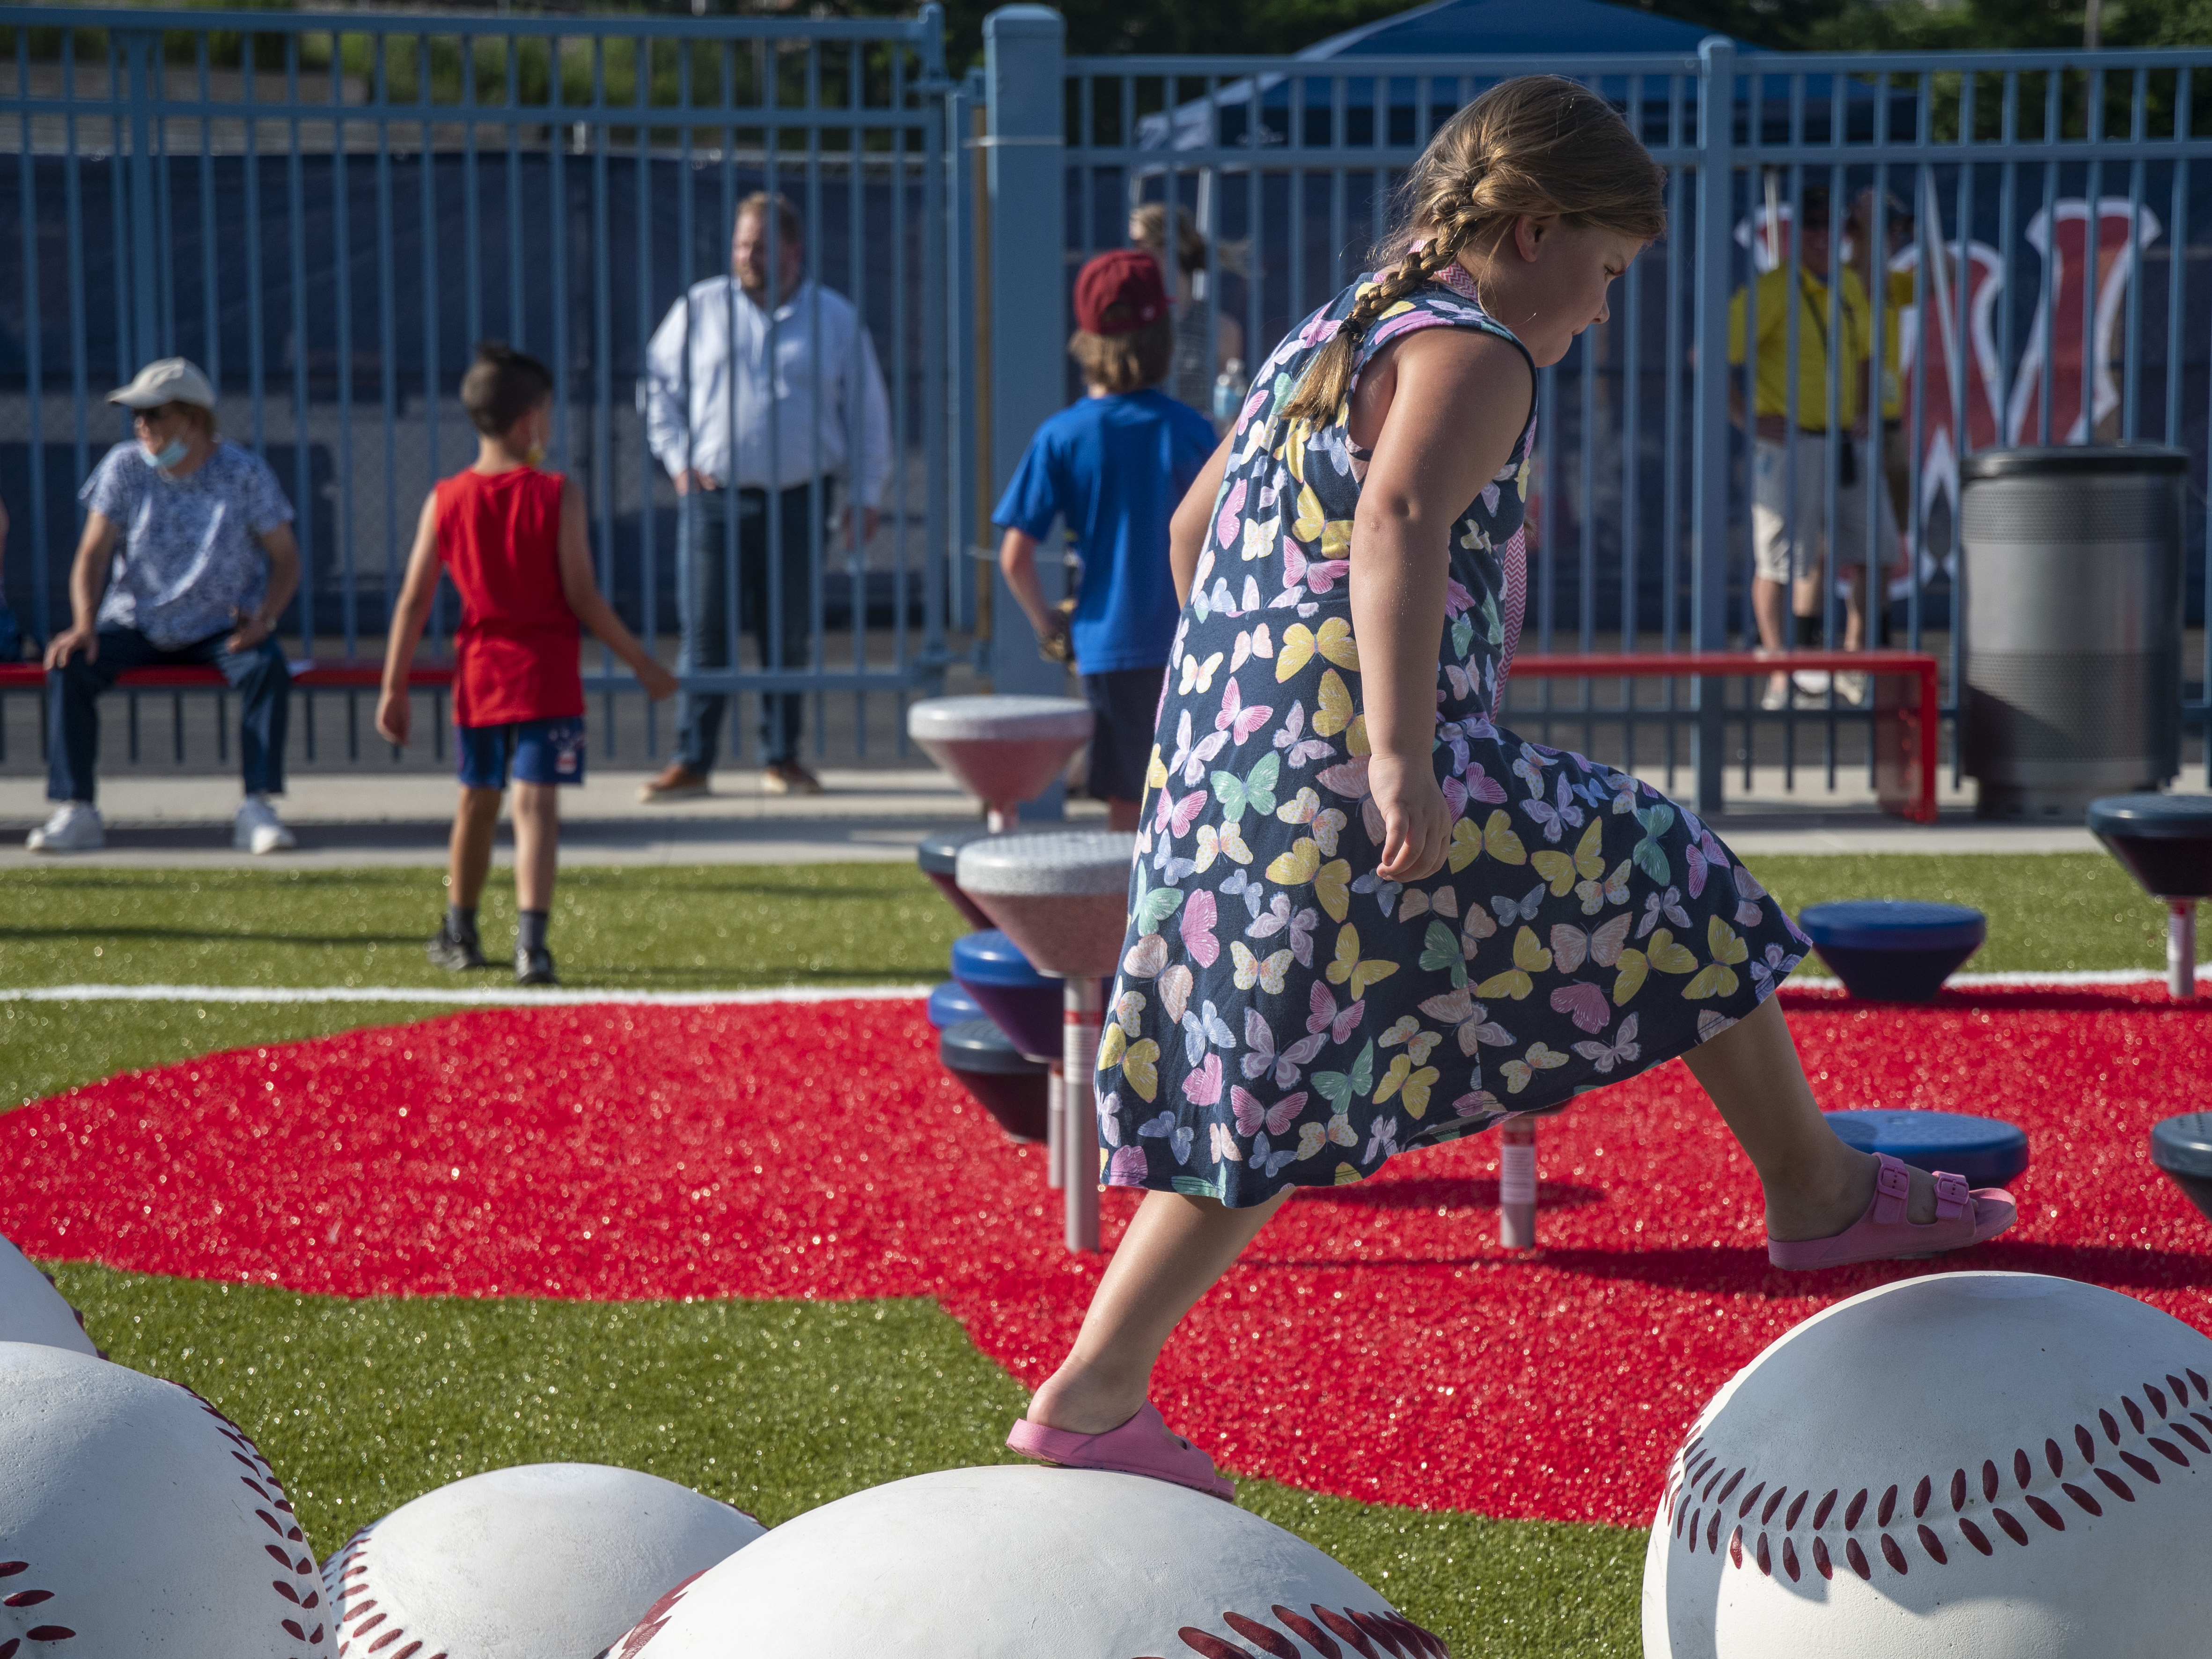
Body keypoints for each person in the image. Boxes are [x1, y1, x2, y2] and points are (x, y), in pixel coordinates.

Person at [1004, 78, 2015, 1500]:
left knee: (1280, 1079)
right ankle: (1821, 1188)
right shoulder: (1475, 350)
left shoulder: (1334, 325)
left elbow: (1192, 534)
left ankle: (1092, 1393)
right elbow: (1402, 516)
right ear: (1532, 230)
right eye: (1603, 271)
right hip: (1365, 769)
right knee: (1664, 866)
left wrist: (1255, 716)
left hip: (1227, 779)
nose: (1603, 309)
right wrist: (1401, 746)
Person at [376, 343, 677, 987]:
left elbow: (413, 599)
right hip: (545, 674)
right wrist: (643, 665)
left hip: (481, 673)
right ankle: (531, 947)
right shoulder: (556, 495)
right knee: (537, 807)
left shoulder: (446, 498)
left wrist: (392, 685)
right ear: (527, 423)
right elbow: (584, 597)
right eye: (545, 414)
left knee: (476, 803)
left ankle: (460, 929)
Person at [637, 190, 892, 802]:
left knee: (789, 635)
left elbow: (867, 414)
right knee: (706, 633)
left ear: (792, 249)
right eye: (740, 245)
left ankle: (782, 758)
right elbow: (657, 388)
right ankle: (692, 762)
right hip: (714, 501)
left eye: (758, 245)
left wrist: (866, 494)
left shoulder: (832, 317)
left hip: (800, 501)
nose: (746, 256)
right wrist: (676, 459)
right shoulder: (699, 308)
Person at [30, 357, 301, 855]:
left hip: (221, 626)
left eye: (155, 414)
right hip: (135, 622)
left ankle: (258, 807)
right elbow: (92, 554)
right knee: (69, 665)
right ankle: (77, 808)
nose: (142, 425)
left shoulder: (244, 472)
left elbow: (286, 558)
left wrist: (264, 618)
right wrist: (85, 625)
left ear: (194, 419)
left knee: (266, 668)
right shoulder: (124, 466)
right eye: (137, 414)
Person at [992, 251, 1220, 833]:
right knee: (1194, 794)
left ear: (1087, 339)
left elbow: (1015, 558)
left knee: (1129, 809)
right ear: (1163, 335)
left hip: (1107, 643)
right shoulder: (1192, 431)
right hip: (1191, 640)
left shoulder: (1062, 435)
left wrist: (1051, 627)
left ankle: (1130, 924)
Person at [1728, 185, 1897, 712]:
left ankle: (1852, 664)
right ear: (1796, 233)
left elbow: (1866, 351)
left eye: (1833, 227)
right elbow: (1711, 354)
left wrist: (1865, 411)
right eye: (1814, 226)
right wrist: (1748, 420)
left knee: (1879, 550)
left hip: (1845, 442)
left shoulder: (1848, 284)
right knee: (1778, 561)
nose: (1824, 236)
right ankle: (1779, 673)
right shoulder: (1772, 290)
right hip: (1791, 444)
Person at [1130, 202, 1246, 426]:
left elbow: (1228, 415)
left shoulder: (1221, 330)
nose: (1128, 252)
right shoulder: (1133, 325)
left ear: (1165, 249)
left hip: (1197, 452)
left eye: (1137, 243)